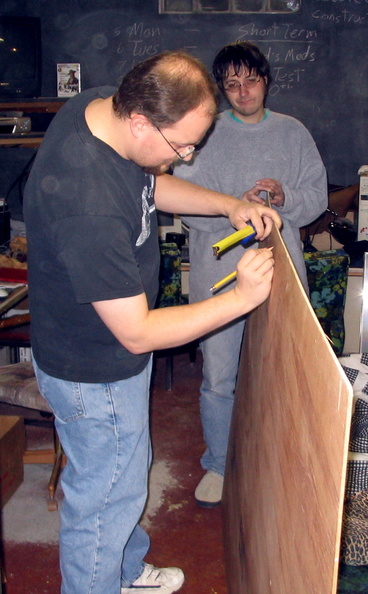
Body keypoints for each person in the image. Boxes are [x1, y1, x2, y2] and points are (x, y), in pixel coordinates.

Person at [23, 51, 280, 594]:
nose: (185, 157)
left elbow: (148, 187)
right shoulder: (85, 198)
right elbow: (137, 331)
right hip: (95, 368)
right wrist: (241, 298)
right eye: (181, 146)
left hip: (109, 357)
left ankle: (125, 569)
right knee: (103, 499)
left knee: (122, 477)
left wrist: (227, 206)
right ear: (141, 121)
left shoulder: (103, 108)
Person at [174, 41, 327, 508]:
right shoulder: (204, 132)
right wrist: (231, 210)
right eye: (232, 84)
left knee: (284, 372)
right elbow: (184, 206)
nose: (243, 92)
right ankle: (219, 464)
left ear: (266, 79)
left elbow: (316, 199)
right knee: (220, 376)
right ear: (221, 89)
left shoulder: (293, 133)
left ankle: (278, 460)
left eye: (251, 80)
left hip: (282, 272)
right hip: (218, 272)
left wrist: (283, 200)